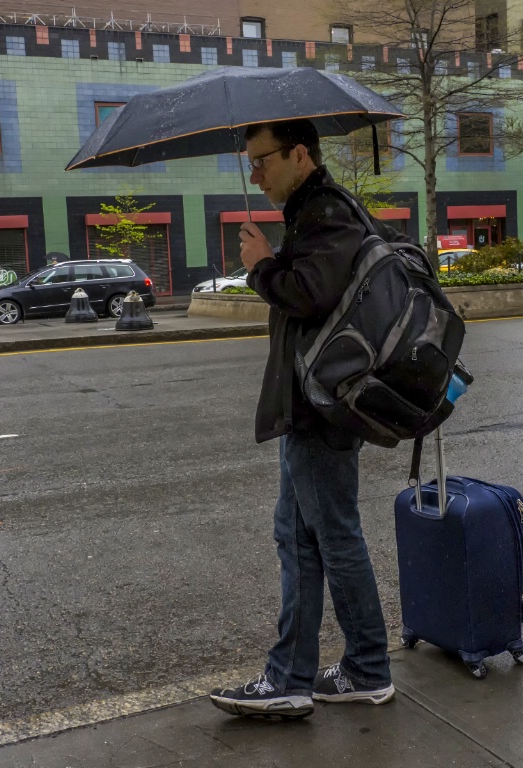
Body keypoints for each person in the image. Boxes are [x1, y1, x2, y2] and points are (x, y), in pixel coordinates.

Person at [209, 119, 404, 720]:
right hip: (313, 407)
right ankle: (298, 675)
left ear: (298, 154)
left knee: (332, 536)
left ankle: (360, 668)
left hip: (321, 409)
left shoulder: (325, 211)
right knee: (298, 536)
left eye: (262, 159)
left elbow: (309, 293)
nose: (254, 172)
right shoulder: (313, 211)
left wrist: (262, 264)